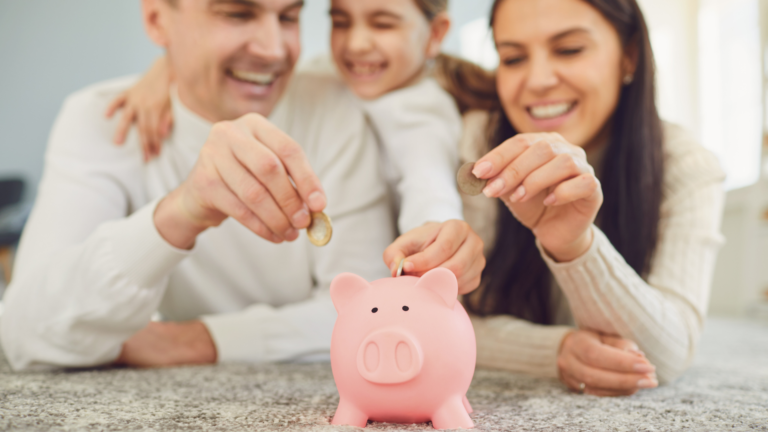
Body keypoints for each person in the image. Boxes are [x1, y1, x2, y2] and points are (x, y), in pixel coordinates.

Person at [0, 0, 484, 371]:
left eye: (290, 16)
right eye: (237, 13)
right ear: (156, 19)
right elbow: (22, 332)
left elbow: (365, 311)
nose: (274, 51)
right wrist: (181, 212)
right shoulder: (106, 118)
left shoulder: (339, 105)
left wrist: (192, 340)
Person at [450, 0, 725, 397]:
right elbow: (440, 314)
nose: (538, 80)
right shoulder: (477, 145)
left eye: (569, 50)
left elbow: (665, 354)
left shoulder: (685, 164)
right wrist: (556, 351)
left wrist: (576, 246)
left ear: (629, 56)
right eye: (512, 58)